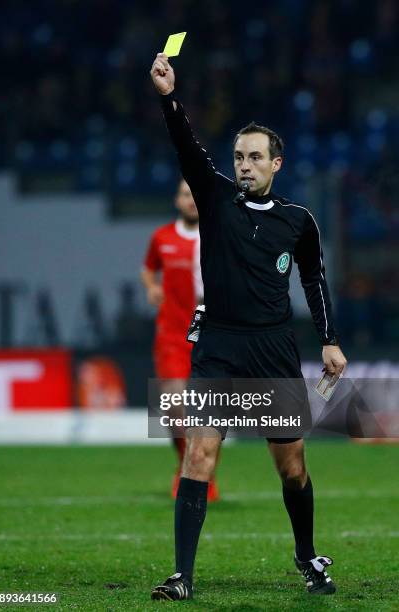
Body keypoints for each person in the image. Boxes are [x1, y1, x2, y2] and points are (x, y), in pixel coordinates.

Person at [149, 53, 347, 601]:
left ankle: (307, 556)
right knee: (200, 453)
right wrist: (169, 98)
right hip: (218, 349)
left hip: (273, 350)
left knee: (291, 469)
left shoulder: (297, 220)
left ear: (276, 163)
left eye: (254, 157)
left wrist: (329, 339)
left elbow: (315, 278)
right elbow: (187, 149)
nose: (244, 165)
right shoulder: (214, 201)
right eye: (238, 156)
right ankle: (182, 576)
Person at [141, 178, 219, 501]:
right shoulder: (162, 238)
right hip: (172, 336)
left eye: (195, 195)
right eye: (186, 195)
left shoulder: (218, 237)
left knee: (210, 413)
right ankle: (187, 466)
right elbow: (148, 269)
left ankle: (202, 475)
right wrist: (151, 287)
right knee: (173, 410)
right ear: (177, 200)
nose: (191, 201)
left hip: (211, 336)